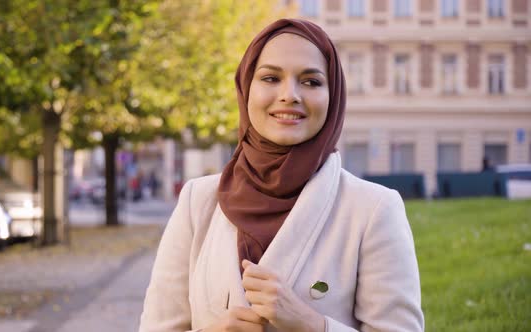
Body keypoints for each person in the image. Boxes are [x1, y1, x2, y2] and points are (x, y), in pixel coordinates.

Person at [139, 18, 424, 332]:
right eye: (271, 78)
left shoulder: (373, 209)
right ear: (247, 89)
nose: (290, 95)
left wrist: (312, 325)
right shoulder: (198, 202)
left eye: (311, 81)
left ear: (334, 97)